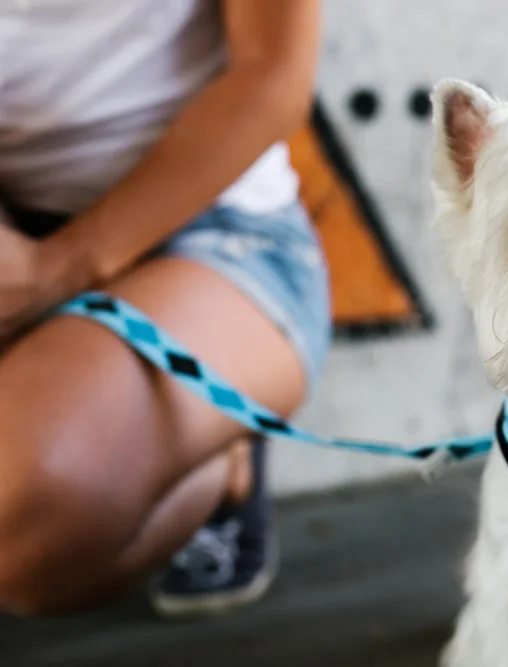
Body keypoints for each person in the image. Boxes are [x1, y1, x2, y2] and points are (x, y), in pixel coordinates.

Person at [0, 0, 330, 617]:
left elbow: (275, 78)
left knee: (16, 530)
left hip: (213, 231)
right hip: (17, 229)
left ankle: (218, 460)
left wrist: (57, 269)